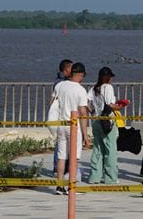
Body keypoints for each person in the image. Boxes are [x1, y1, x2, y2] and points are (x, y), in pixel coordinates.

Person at [52, 62, 91, 194]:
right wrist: (85, 135)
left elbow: (52, 103)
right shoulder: (80, 90)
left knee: (61, 156)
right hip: (73, 127)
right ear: (81, 75)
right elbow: (82, 113)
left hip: (60, 124)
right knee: (74, 157)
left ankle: (59, 185)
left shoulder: (60, 85)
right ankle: (71, 187)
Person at [87, 67, 124, 184]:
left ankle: (94, 177)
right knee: (110, 149)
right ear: (107, 77)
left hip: (96, 121)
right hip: (108, 121)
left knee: (98, 148)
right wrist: (121, 106)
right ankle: (110, 177)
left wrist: (92, 111)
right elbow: (110, 105)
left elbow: (85, 101)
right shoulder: (108, 87)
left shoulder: (94, 88)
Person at [51, 59, 72, 175]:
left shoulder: (60, 82)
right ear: (66, 69)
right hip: (62, 118)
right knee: (61, 145)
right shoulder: (60, 83)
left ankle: (60, 168)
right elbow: (54, 100)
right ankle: (58, 168)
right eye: (71, 68)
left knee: (62, 144)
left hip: (64, 118)